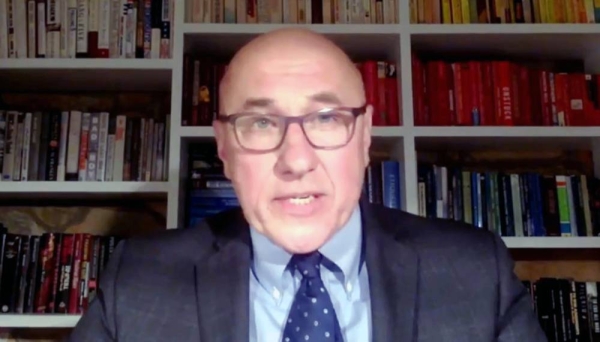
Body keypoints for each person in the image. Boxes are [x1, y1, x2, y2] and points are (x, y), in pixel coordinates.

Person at [68, 28, 547, 342]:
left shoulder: (474, 271)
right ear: (224, 148)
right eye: (259, 123)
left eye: (326, 118)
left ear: (364, 137)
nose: (296, 160)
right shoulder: (139, 279)